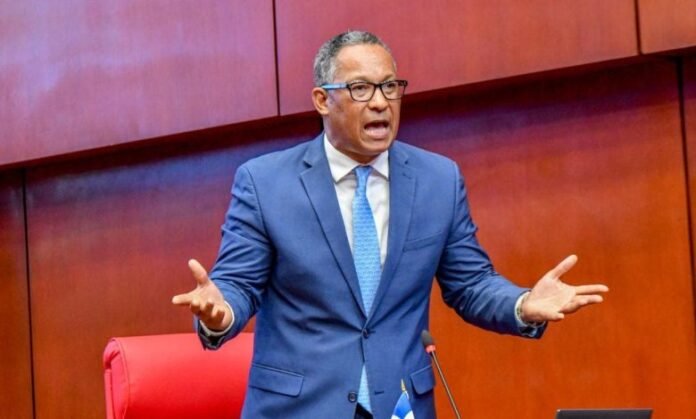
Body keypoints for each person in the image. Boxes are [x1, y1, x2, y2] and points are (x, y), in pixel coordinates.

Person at [172, 31, 608, 419]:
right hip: (299, 408)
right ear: (322, 100)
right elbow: (238, 284)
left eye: (389, 86)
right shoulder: (265, 183)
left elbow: (471, 283)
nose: (380, 102)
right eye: (360, 88)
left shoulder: (438, 179)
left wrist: (522, 305)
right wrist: (220, 314)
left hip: (401, 407)